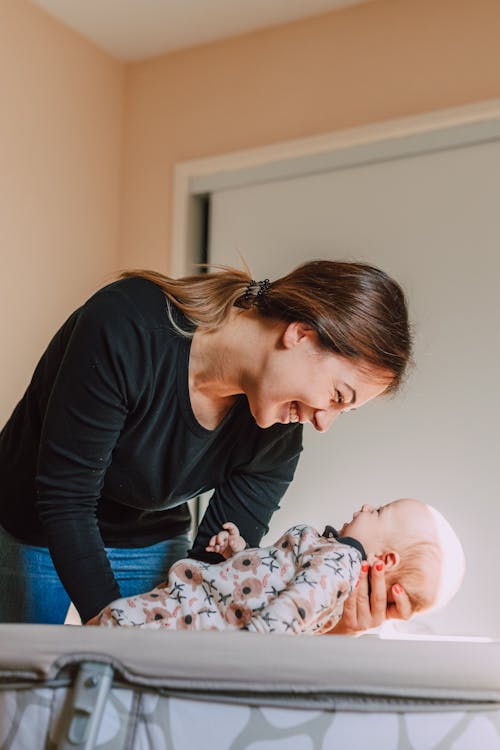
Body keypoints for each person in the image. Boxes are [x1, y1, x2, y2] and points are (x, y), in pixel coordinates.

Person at [0, 260, 413, 628]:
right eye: (338, 396)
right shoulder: (127, 325)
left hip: (148, 540)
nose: (324, 421)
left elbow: (215, 594)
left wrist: (331, 622)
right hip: (30, 522)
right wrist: (117, 633)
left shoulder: (278, 438)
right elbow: (65, 497)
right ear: (301, 334)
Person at [93, 499, 465, 633]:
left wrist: (248, 652)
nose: (367, 506)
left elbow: (283, 616)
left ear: (385, 560)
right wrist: (237, 553)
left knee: (109, 627)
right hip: (195, 604)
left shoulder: (339, 562)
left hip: (196, 615)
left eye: (380, 511)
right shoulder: (330, 556)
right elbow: (267, 582)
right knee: (107, 627)